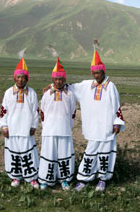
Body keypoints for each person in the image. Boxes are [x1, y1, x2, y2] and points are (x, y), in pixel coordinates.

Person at [70, 50, 125, 192]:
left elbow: (117, 106)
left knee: (105, 155)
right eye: (94, 73)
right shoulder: (87, 85)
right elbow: (69, 87)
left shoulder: (111, 87)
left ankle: (102, 180)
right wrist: (52, 87)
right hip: (93, 128)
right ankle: (84, 179)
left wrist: (117, 122)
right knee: (90, 153)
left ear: (103, 72)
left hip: (107, 128)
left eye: (98, 73)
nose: (96, 76)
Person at [0, 57, 40, 189]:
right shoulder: (8, 93)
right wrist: (4, 126)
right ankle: (16, 177)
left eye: (23, 77)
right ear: (14, 78)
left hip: (26, 129)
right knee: (14, 154)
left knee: (28, 154)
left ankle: (32, 178)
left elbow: (35, 111)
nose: (20, 79)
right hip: (12, 129)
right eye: (18, 77)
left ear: (27, 79)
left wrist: (34, 125)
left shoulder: (32, 93)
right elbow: (4, 111)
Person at [38, 57, 76, 191]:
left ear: (65, 79)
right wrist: (46, 125)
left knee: (64, 155)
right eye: (56, 79)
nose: (58, 82)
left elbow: (73, 112)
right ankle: (45, 180)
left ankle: (64, 180)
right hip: (49, 130)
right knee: (48, 155)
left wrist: (67, 126)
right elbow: (41, 111)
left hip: (64, 130)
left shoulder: (70, 93)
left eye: (61, 79)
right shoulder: (47, 93)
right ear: (52, 79)